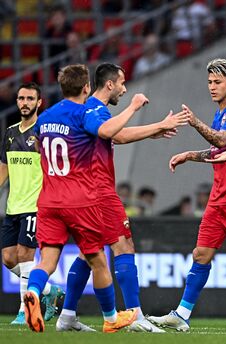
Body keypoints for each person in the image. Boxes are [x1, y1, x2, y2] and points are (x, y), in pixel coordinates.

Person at [56, 62, 186, 332]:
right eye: (123, 83)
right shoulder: (93, 109)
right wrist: (139, 110)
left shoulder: (95, 112)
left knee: (86, 253)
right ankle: (134, 315)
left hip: (88, 191)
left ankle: (67, 316)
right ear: (110, 84)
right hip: (99, 191)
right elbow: (109, 132)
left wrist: (155, 129)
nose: (126, 89)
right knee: (124, 246)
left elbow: (120, 134)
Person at [148, 58, 226, 332]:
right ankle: (182, 314)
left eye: (217, 82)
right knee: (201, 254)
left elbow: (221, 141)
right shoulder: (222, 114)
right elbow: (218, 153)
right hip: (219, 198)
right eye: (209, 82)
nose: (212, 87)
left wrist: (194, 122)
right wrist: (189, 155)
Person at [23, 64, 146, 333]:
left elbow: (36, 143)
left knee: (47, 261)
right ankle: (112, 319)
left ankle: (33, 292)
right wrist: (133, 107)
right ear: (87, 88)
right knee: (98, 259)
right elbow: (105, 131)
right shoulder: (84, 113)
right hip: (80, 199)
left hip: (48, 200)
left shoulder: (45, 117)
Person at [0, 83, 64, 325]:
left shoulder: (44, 133)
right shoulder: (10, 133)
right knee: (8, 259)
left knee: (26, 255)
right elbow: (3, 169)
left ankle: (23, 310)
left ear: (39, 103)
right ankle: (49, 291)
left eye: (30, 99)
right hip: (12, 206)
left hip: (36, 206)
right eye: (21, 98)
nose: (24, 103)